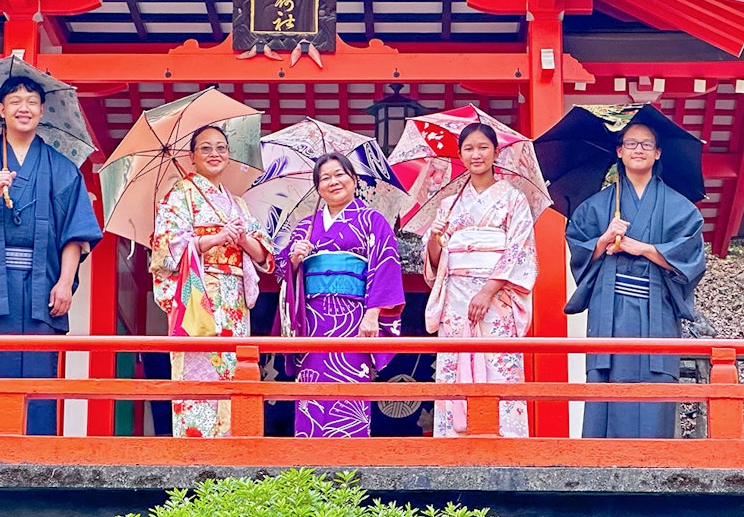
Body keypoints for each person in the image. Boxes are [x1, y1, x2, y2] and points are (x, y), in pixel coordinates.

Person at [0, 75, 102, 435]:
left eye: (32, 101)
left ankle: (39, 462)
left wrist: (65, 283)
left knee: (38, 380)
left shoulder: (62, 168)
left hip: (42, 289)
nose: (24, 108)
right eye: (15, 101)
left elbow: (75, 232)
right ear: (1, 110)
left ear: (42, 110)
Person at [564, 122, 706, 439]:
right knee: (607, 386)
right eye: (631, 144)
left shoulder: (680, 208)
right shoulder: (598, 206)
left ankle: (656, 469)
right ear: (619, 151)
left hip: (656, 312)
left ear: (657, 153)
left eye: (645, 144)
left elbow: (692, 259)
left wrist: (644, 249)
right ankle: (601, 469)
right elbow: (579, 249)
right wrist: (603, 240)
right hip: (609, 310)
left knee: (654, 390)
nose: (638, 149)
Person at [151, 124, 274, 437]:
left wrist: (242, 238)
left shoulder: (239, 204)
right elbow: (164, 250)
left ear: (229, 156)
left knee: (234, 366)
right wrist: (214, 238)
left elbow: (264, 255)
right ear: (192, 157)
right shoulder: (179, 195)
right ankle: (197, 442)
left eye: (221, 147)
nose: (214, 154)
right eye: (205, 148)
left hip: (233, 298)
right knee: (200, 362)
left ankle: (233, 440)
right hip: (198, 291)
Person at [276, 152, 405, 438]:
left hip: (354, 318)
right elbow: (284, 273)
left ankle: (351, 462)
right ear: (318, 188)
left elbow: (385, 267)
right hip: (311, 321)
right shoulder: (304, 227)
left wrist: (373, 314)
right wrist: (295, 259)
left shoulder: (373, 221)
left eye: (340, 175)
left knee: (350, 384)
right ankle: (308, 465)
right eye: (325, 178)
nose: (333, 182)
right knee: (311, 387)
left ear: (354, 180)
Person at [424, 122, 538, 438]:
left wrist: (487, 291)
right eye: (469, 148)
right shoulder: (448, 204)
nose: (476, 154)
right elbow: (435, 262)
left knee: (496, 363)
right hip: (456, 297)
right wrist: (435, 237)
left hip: (497, 297)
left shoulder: (514, 199)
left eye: (483, 147)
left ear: (495, 152)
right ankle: (454, 436)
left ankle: (505, 436)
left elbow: (520, 249)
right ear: (461, 155)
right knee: (454, 365)